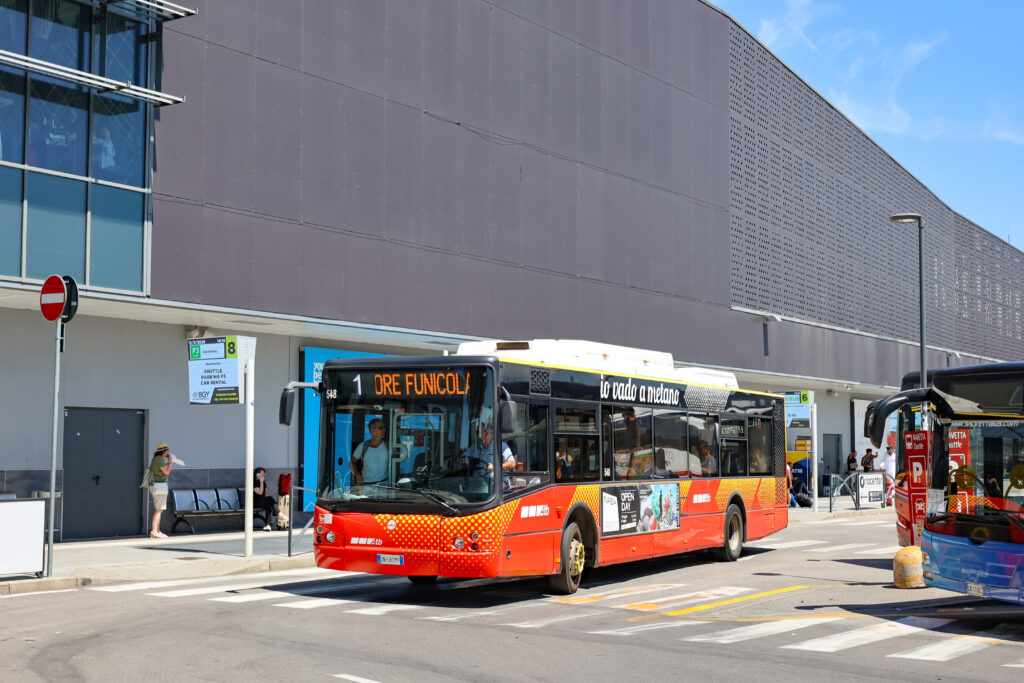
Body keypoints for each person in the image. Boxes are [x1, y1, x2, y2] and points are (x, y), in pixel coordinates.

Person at [351, 418, 390, 486]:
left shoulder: (388, 446)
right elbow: (352, 462)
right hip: (367, 486)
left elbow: (396, 464)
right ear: (372, 430)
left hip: (385, 486)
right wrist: (358, 476)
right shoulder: (363, 446)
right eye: (381, 428)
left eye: (384, 428)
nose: (384, 430)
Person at [148, 442, 173, 538]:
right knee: (159, 509)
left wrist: (167, 462)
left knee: (159, 509)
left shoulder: (156, 459)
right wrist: (170, 462)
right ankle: (154, 531)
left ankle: (158, 531)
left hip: (156, 486)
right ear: (165, 451)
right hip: (159, 486)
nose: (168, 453)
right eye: (167, 451)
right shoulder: (159, 459)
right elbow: (167, 472)